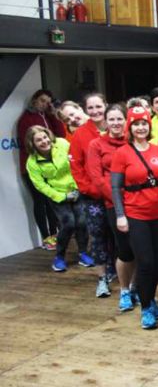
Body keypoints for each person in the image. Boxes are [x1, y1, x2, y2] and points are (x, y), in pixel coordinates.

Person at [110, 106, 158, 329]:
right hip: (135, 214)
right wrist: (120, 215)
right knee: (145, 262)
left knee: (157, 262)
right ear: (130, 127)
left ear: (149, 126)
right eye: (136, 123)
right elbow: (115, 187)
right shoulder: (122, 153)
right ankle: (146, 308)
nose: (140, 127)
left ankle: (151, 298)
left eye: (144, 123)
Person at [87, 104, 138, 311]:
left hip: (138, 203)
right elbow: (97, 178)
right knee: (124, 249)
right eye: (112, 119)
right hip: (114, 205)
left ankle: (134, 287)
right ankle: (124, 289)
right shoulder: (96, 145)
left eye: (120, 119)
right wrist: (119, 200)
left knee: (138, 248)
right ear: (106, 122)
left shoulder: (133, 141)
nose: (116, 123)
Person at [25, 126, 93, 272]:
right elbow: (40, 185)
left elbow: (76, 161)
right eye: (39, 140)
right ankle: (59, 257)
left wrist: (80, 186)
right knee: (68, 224)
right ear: (32, 144)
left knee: (82, 222)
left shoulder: (62, 143)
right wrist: (61, 196)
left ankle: (83, 253)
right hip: (58, 195)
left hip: (76, 188)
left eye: (45, 137)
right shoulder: (32, 162)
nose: (44, 141)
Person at [68, 93, 113, 297]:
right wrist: (91, 189)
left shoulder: (116, 128)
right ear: (86, 110)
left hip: (117, 196)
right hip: (94, 196)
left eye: (98, 106)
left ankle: (119, 273)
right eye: (91, 108)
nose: (95, 111)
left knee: (118, 235)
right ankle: (102, 277)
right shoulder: (80, 134)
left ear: (105, 105)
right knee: (97, 236)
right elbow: (76, 166)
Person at [17, 89, 62, 249]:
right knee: (40, 201)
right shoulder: (26, 118)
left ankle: (55, 234)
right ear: (34, 100)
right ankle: (46, 237)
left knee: (50, 201)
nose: (45, 104)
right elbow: (26, 144)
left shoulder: (47, 116)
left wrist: (53, 115)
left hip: (48, 167)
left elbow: (59, 136)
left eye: (48, 102)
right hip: (32, 167)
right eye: (42, 101)